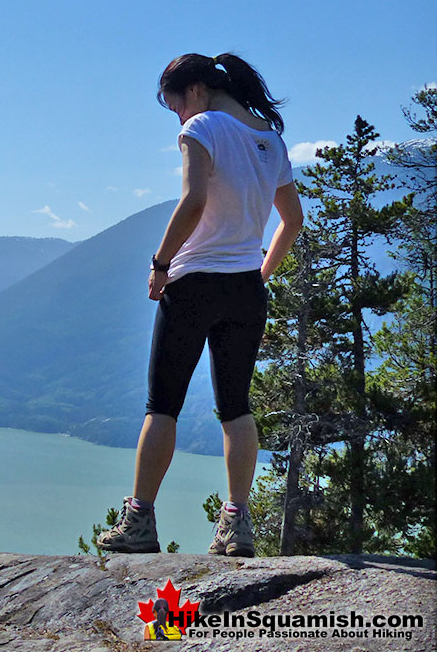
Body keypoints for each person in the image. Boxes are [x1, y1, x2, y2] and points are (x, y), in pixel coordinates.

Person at [95, 53, 304, 557]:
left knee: (161, 404)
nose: (179, 119)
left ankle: (140, 522)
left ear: (194, 91)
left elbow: (192, 201)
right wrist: (258, 275)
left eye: (175, 107)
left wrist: (161, 263)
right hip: (244, 290)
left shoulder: (203, 127)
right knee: (236, 407)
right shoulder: (269, 139)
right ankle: (237, 527)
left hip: (193, 284)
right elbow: (292, 220)